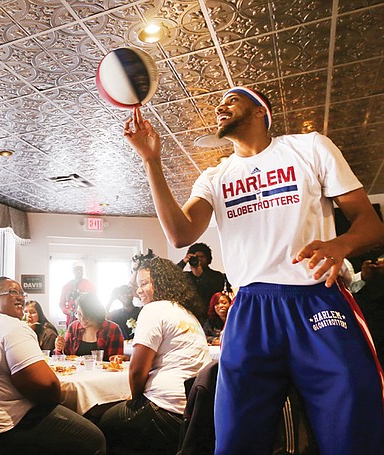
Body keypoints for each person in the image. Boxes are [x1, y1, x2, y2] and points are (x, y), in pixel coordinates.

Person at [123, 86, 384, 454]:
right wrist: (151, 160)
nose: (220, 106)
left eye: (232, 99)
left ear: (262, 110)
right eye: (219, 103)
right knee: (236, 435)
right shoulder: (215, 176)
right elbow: (179, 234)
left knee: (354, 415)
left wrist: (340, 245)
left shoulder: (309, 147)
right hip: (250, 308)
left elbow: (371, 226)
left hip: (316, 300)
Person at [0, 277, 106, 455]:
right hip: (10, 425)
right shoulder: (12, 327)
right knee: (95, 439)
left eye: (22, 293)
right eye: (12, 292)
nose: (20, 297)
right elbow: (46, 387)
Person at [99, 256, 211, 455]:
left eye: (144, 283)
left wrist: (134, 400)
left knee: (101, 423)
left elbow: (136, 371)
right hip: (194, 413)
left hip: (166, 409)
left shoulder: (153, 309)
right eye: (136, 285)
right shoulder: (185, 312)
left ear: (160, 282)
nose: (138, 290)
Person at [55, 293, 124, 361]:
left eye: (86, 315)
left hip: (102, 371)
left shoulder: (112, 329)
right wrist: (59, 348)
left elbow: (116, 362)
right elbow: (64, 357)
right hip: (75, 371)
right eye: (79, 314)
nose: (82, 319)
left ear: (96, 313)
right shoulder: (74, 327)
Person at [177, 243, 230, 307]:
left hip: (210, 313)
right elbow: (171, 276)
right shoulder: (186, 276)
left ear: (208, 259)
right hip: (190, 312)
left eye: (202, 257)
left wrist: (201, 276)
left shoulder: (217, 275)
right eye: (196, 257)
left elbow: (213, 293)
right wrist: (183, 262)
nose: (199, 259)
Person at [59, 261, 95, 327]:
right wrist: (68, 311)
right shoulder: (66, 286)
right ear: (73, 271)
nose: (78, 271)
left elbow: (95, 302)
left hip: (86, 319)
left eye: (80, 269)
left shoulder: (89, 285)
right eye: (76, 269)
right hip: (71, 319)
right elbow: (61, 304)